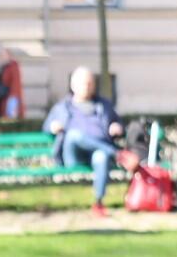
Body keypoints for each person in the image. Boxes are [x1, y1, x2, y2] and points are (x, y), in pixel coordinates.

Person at [44, 67, 125, 217]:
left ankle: (98, 202)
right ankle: (117, 154)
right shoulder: (62, 107)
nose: (87, 86)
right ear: (73, 85)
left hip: (96, 152)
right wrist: (53, 126)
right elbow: (46, 127)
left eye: (90, 83)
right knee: (74, 135)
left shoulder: (104, 105)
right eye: (83, 83)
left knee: (101, 157)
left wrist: (117, 126)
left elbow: (118, 123)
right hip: (74, 154)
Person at [0, 47, 23, 121]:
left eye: (4, 55)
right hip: (0, 98)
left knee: (9, 118)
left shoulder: (13, 66)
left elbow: (15, 86)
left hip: (9, 98)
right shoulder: (2, 67)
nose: (2, 57)